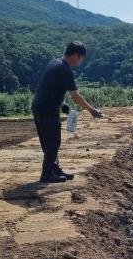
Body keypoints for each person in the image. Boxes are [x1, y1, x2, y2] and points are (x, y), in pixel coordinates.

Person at [31, 41, 103, 183]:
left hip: (41, 107)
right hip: (47, 109)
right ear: (75, 55)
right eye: (82, 58)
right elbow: (76, 96)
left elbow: (51, 88)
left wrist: (64, 106)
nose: (81, 61)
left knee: (50, 141)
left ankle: (54, 169)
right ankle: (46, 174)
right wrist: (92, 111)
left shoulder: (55, 63)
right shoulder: (65, 70)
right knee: (53, 142)